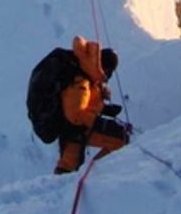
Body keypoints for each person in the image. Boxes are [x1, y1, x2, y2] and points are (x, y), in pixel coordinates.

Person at [54, 37, 129, 174]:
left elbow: (83, 103)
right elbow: (75, 114)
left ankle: (85, 177)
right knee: (120, 140)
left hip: (73, 130)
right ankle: (93, 174)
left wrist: (105, 110)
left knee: (67, 168)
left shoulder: (86, 74)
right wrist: (101, 124)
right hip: (75, 130)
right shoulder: (81, 82)